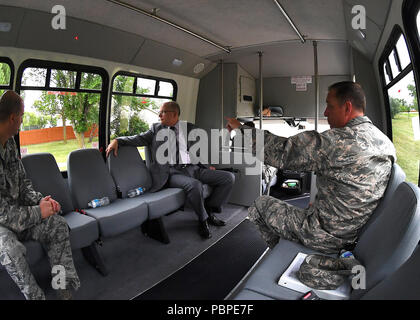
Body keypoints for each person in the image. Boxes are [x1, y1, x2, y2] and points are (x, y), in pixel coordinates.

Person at [226, 81, 396, 253]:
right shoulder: (384, 142)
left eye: (330, 106)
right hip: (353, 233)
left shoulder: (336, 141)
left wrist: (241, 129)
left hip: (325, 237)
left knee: (259, 205)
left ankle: (279, 252)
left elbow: (281, 151)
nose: (325, 112)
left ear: (347, 107)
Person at [106, 101, 235, 239]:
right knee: (195, 185)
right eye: (159, 112)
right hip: (172, 173)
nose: (159, 115)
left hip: (194, 168)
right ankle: (203, 221)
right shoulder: (155, 129)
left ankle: (210, 210)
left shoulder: (190, 128)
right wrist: (117, 140)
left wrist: (207, 165)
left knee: (228, 177)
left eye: (162, 112)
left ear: (174, 114)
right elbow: (137, 139)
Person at [0, 90, 80, 300]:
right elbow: (1, 213)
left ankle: (63, 289)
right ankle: (36, 297)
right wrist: (38, 212)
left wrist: (40, 201)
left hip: (21, 213)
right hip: (1, 224)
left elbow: (23, 183)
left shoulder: (9, 143)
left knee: (58, 225)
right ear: (13, 117)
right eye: (22, 117)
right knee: (11, 250)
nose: (21, 122)